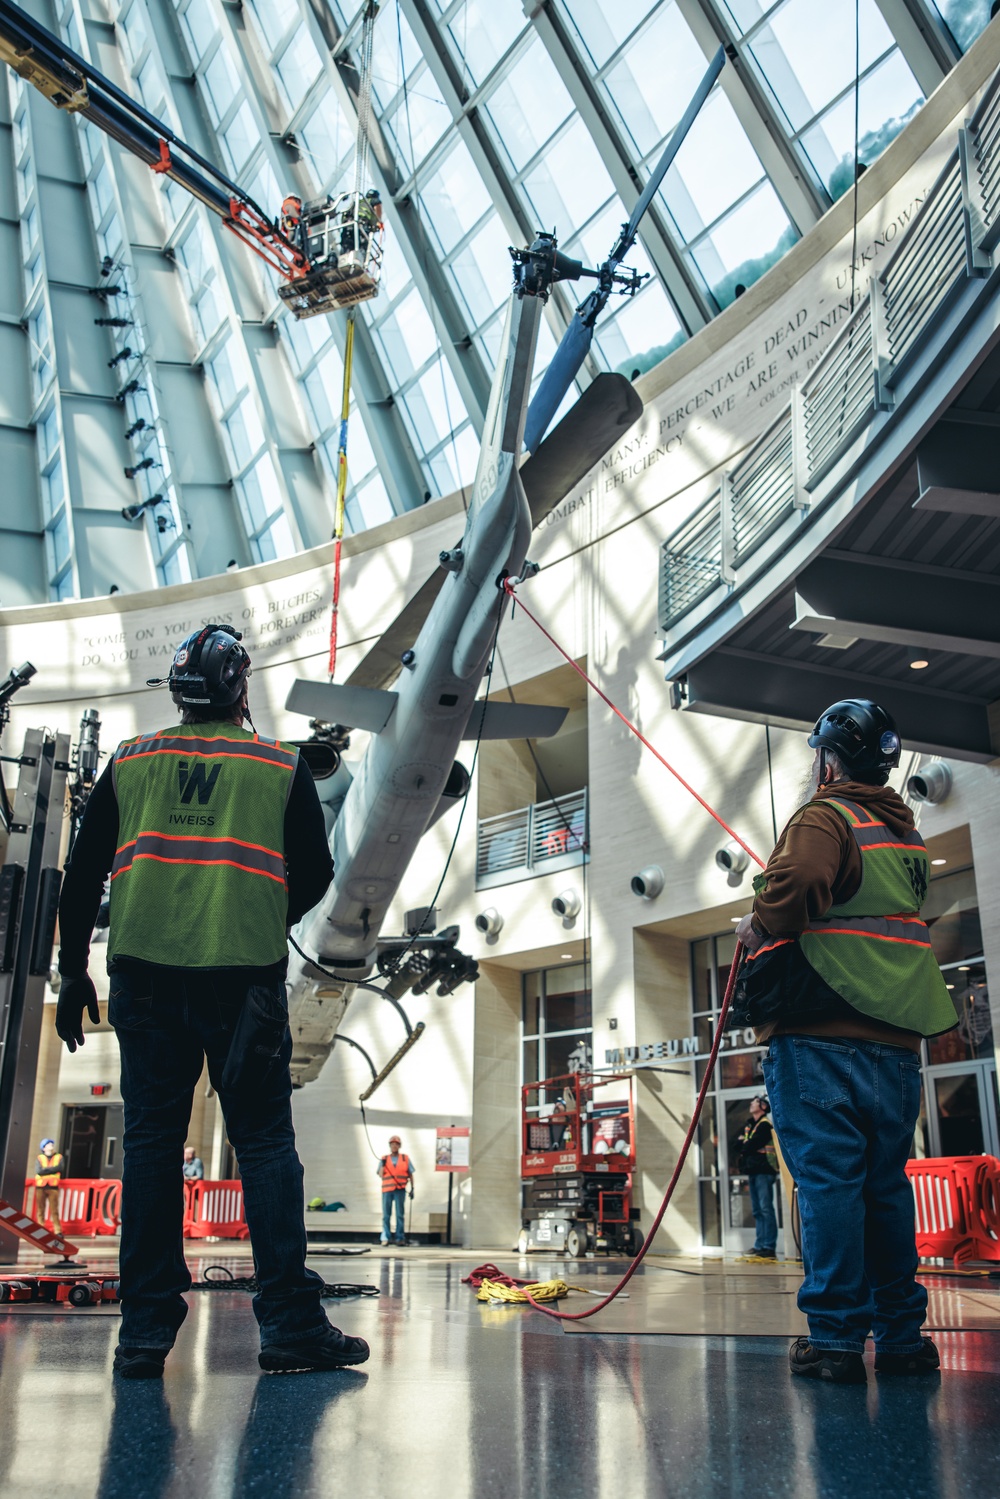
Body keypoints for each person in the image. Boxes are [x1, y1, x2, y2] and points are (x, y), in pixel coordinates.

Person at [54, 624, 369, 1379]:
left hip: (143, 978)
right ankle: (290, 1323)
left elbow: (81, 871)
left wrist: (72, 972)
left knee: (154, 1146)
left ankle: (144, 1332)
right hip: (241, 978)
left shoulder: (132, 761)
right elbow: (318, 872)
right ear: (240, 688)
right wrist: (261, 911)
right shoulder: (277, 764)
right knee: (263, 1143)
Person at [735, 698, 957, 1384]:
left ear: (828, 759)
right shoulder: (904, 836)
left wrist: (760, 921)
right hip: (893, 1042)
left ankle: (834, 1340)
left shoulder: (823, 814)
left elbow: (799, 881)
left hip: (822, 1032)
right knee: (885, 1189)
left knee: (830, 1185)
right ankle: (900, 1338)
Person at [736, 1097, 778, 1258]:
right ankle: (759, 1245)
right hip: (753, 1170)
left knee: (765, 1208)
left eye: (754, 1102)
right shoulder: (749, 1125)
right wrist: (745, 1145)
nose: (751, 1104)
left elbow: (750, 1145)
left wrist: (745, 1145)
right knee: (757, 1210)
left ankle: (769, 1246)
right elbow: (737, 1145)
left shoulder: (765, 1125)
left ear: (763, 1106)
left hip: (764, 1170)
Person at [377, 1135, 413, 1245]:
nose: (394, 1146)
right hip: (387, 1190)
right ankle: (385, 1237)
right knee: (386, 1215)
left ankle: (400, 1237)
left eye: (396, 1144)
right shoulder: (384, 1159)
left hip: (400, 1190)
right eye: (392, 1144)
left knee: (399, 1214)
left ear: (399, 1146)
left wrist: (413, 1188)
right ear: (390, 1146)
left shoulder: (405, 1158)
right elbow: (380, 1174)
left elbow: (410, 1173)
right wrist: (383, 1165)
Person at [34, 1138, 64, 1233]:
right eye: (48, 1144)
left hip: (53, 1187)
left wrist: (46, 1170)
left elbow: (60, 1168)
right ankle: (40, 1229)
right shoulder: (39, 1158)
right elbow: (39, 1171)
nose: (51, 1145)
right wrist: (52, 1169)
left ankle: (58, 1231)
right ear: (44, 1147)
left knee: (54, 1210)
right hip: (41, 1186)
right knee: (40, 1209)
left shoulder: (59, 1157)